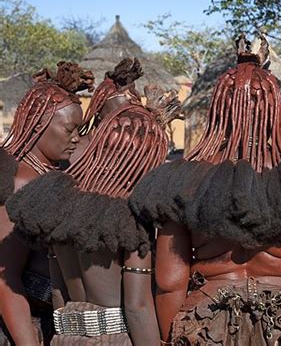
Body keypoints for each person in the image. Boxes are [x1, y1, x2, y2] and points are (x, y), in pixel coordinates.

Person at [130, 35, 281, 345]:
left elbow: (169, 282)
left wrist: (168, 339)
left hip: (206, 325)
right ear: (272, 111)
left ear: (218, 110)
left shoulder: (184, 182)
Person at [8, 89, 180, 345]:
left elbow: (58, 293)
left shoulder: (58, 207)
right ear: (144, 161)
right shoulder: (130, 220)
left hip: (65, 336)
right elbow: (137, 307)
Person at [0, 62, 92, 345]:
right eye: (69, 129)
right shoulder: (21, 183)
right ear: (39, 125)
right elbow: (5, 278)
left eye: (80, 130)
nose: (76, 138)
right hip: (23, 325)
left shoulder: (49, 173)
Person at [70, 57, 144, 163]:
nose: (125, 123)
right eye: (117, 116)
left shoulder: (134, 154)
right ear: (98, 112)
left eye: (131, 116)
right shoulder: (72, 151)